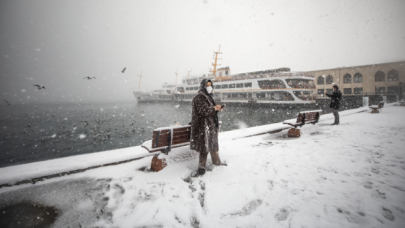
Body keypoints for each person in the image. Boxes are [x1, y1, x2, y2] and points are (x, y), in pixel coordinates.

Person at [190, 79, 224, 176]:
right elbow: (203, 111)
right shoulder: (200, 97)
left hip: (209, 125)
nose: (209, 87)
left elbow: (209, 111)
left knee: (211, 145)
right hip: (203, 126)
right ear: (203, 86)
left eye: (210, 85)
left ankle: (217, 162)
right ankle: (201, 167)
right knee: (204, 148)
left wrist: (217, 109)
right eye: (207, 85)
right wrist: (214, 108)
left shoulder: (208, 97)